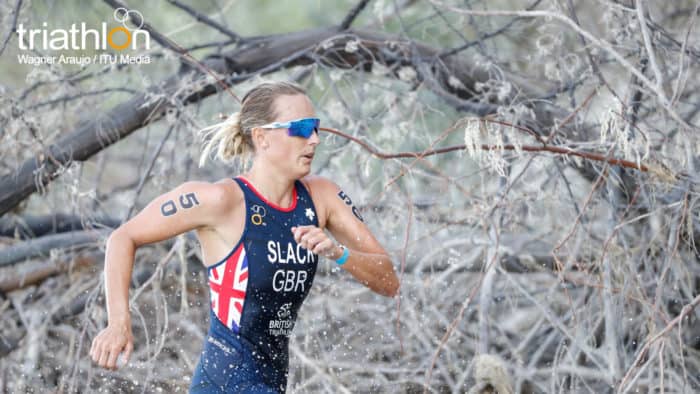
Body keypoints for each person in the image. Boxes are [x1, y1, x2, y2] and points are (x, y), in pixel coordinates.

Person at [89, 81, 400, 393]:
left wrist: (339, 253)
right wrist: (118, 323)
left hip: (270, 380)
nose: (315, 139)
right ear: (262, 137)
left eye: (316, 126)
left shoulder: (323, 197)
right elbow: (122, 237)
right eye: (302, 128)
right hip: (225, 380)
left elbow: (389, 281)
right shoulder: (219, 200)